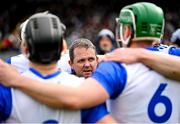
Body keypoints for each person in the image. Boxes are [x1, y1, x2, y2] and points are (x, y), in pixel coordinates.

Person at [1, 2, 180, 123]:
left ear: (126, 30)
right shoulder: (174, 55)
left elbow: (75, 99)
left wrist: (18, 81)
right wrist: (143, 55)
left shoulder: (115, 68)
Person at [0, 12, 115, 123]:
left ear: (25, 50)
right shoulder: (84, 89)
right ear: (63, 48)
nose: (86, 64)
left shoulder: (7, 93)